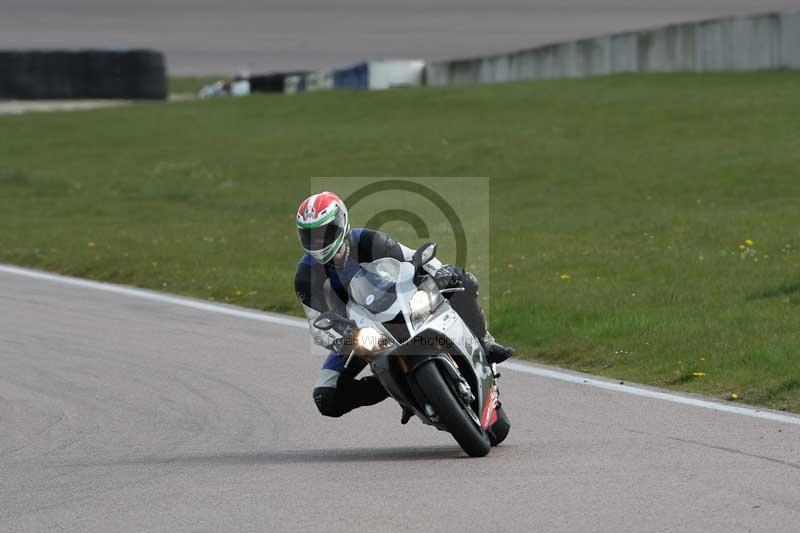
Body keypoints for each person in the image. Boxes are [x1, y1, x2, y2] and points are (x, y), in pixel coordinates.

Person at [294, 191, 514, 418]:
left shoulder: (366, 240)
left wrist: (440, 272)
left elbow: (412, 258)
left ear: (340, 224)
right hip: (359, 333)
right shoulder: (306, 276)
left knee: (462, 281)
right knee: (326, 397)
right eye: (310, 236)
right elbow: (317, 325)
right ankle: (393, 386)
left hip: (401, 305)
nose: (318, 241)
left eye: (324, 233)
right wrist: (343, 340)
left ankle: (485, 342)